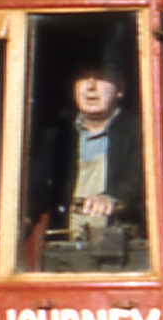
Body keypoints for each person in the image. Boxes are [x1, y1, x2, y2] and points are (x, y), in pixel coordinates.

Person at [31, 58, 139, 269]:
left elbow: (143, 178)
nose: (90, 87)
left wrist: (113, 198)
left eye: (100, 78)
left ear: (120, 89)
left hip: (124, 253)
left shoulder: (138, 131)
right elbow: (36, 189)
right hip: (67, 252)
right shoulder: (57, 135)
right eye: (82, 79)